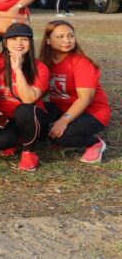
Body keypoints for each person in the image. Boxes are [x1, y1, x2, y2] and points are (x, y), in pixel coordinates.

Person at [40, 20, 110, 163]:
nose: (67, 40)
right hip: (62, 108)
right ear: (48, 40)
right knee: (34, 114)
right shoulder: (46, 62)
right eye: (60, 37)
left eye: (70, 36)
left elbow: (85, 98)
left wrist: (63, 120)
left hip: (91, 112)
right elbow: (42, 91)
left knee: (62, 137)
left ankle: (95, 143)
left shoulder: (82, 63)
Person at [0, 23, 50, 171]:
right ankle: (18, 138)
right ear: (5, 42)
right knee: (1, 143)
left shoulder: (39, 67)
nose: (19, 43)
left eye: (24, 39)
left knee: (24, 109)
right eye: (14, 39)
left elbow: (28, 99)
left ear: (31, 43)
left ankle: (29, 153)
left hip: (30, 116)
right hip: (3, 116)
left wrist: (18, 70)